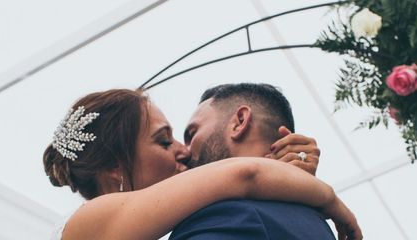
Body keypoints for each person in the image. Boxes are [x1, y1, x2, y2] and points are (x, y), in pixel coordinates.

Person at [43, 88, 362, 240]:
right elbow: (246, 174)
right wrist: (328, 197)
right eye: (164, 141)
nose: (183, 151)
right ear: (115, 165)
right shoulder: (90, 222)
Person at [172, 82, 339, 239]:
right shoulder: (316, 223)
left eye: (192, 134)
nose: (184, 152)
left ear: (240, 122)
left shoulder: (227, 215)